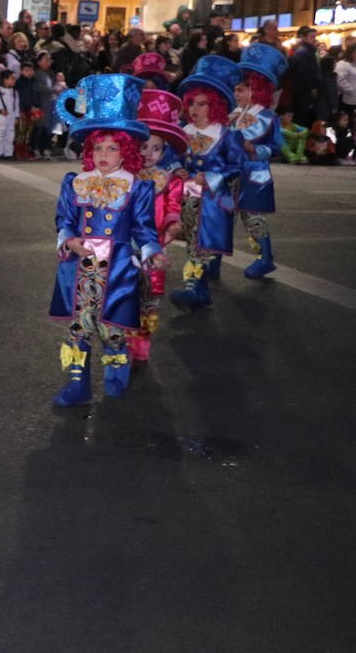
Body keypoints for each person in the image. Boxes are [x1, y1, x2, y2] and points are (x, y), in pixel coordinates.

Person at [48, 74, 164, 406]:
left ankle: (115, 374)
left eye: (112, 148)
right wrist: (69, 241)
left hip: (117, 267)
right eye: (97, 147)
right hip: (81, 267)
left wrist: (152, 252)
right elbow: (65, 220)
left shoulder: (137, 186)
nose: (103, 153)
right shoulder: (75, 182)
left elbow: (143, 227)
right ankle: (77, 385)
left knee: (112, 329)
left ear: (126, 151)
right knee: (79, 328)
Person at [169, 56, 246, 312]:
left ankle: (193, 287)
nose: (194, 108)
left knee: (201, 242)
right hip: (188, 195)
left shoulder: (227, 135)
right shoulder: (183, 131)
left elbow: (237, 167)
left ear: (214, 105)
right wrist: (177, 168)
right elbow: (171, 157)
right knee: (192, 241)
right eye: (191, 102)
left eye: (202, 104)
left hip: (214, 199)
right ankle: (200, 291)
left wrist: (211, 177)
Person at [126, 90, 187, 362]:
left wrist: (173, 223)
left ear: (166, 150)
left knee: (147, 293)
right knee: (125, 288)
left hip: (155, 238)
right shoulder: (125, 174)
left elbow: (174, 205)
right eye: (143, 146)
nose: (149, 153)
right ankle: (121, 334)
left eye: (157, 148)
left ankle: (141, 343)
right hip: (125, 240)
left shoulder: (169, 178)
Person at [229, 44, 288, 279]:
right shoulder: (235, 113)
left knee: (252, 216)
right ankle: (210, 260)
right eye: (236, 89)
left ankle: (265, 257)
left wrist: (254, 149)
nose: (237, 94)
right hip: (231, 171)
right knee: (222, 216)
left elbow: (274, 147)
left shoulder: (266, 116)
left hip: (253, 172)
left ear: (259, 90)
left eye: (242, 89)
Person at [287, 26, 322, 126]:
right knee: (302, 117)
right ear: (304, 38)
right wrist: (312, 88)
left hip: (304, 90)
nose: (314, 39)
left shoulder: (308, 51)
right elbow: (303, 73)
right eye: (312, 37)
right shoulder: (303, 52)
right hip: (303, 91)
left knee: (305, 116)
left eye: (315, 37)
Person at [0, 69, 19, 159]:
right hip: (1, 116)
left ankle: (8, 153)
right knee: (0, 134)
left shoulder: (15, 92)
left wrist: (17, 117)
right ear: (4, 80)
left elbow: (16, 105)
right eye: (12, 78)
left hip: (11, 116)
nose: (14, 80)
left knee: (10, 135)